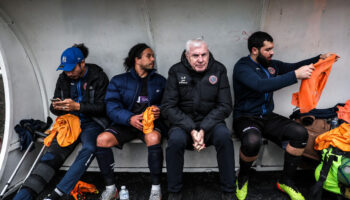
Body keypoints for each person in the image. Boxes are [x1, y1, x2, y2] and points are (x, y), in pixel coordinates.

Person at [232, 31, 336, 200]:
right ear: (254, 50)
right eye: (268, 49)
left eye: (272, 49)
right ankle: (242, 178)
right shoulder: (242, 67)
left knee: (300, 133)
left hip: (267, 116)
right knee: (252, 142)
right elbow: (260, 85)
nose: (272, 52)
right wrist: (295, 76)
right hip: (246, 117)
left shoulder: (271, 65)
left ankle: (286, 181)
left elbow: (294, 66)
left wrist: (319, 59)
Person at [13, 44, 111, 200]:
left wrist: (78, 106)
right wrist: (57, 107)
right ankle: (23, 196)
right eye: (66, 69)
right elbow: (55, 108)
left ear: (82, 63)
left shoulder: (98, 76)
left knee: (90, 147)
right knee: (52, 155)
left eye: (72, 69)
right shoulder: (64, 77)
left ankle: (56, 195)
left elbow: (105, 107)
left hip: (92, 121)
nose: (69, 72)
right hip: (70, 121)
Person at [161, 38, 236, 200]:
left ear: (208, 54)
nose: (201, 59)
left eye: (204, 54)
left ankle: (229, 190)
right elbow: (168, 107)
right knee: (174, 141)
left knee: (224, 136)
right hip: (182, 125)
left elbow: (225, 106)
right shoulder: (176, 71)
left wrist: (202, 129)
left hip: (211, 125)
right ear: (187, 56)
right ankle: (174, 191)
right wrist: (192, 129)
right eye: (195, 55)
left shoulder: (218, 69)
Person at [96, 43, 166, 200]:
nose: (153, 59)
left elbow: (169, 103)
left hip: (149, 125)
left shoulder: (160, 81)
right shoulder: (119, 81)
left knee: (154, 138)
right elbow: (111, 107)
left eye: (153, 56)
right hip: (126, 123)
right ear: (137, 59)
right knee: (102, 139)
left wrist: (159, 110)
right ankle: (110, 189)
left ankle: (156, 189)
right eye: (149, 56)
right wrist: (129, 118)